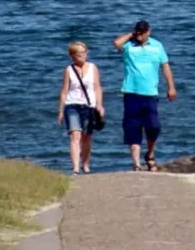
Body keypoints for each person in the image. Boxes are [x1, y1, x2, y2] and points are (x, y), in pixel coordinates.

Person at [113, 19, 176, 170]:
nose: (140, 34)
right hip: (131, 92)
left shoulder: (157, 46)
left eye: (143, 32)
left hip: (150, 93)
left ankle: (150, 153)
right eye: (138, 31)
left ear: (149, 31)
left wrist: (171, 87)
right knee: (132, 127)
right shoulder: (129, 45)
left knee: (154, 126)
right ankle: (136, 163)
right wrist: (131, 34)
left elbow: (165, 66)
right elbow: (116, 43)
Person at [57, 41, 104, 175]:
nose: (83, 55)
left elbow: (97, 87)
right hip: (72, 105)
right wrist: (60, 110)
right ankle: (76, 167)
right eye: (80, 53)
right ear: (72, 55)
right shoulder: (69, 70)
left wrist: (99, 105)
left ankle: (86, 164)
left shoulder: (93, 68)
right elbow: (64, 91)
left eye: (85, 52)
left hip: (89, 107)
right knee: (75, 135)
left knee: (87, 137)